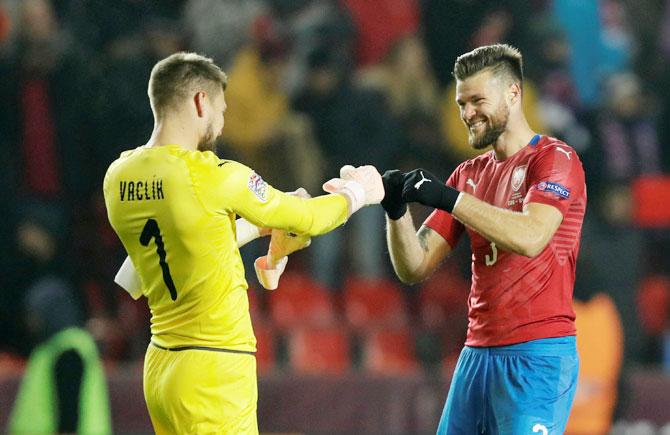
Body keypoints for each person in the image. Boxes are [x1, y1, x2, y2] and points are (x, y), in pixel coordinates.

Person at [102, 52, 383, 434]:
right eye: (221, 110)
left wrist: (253, 227)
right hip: (213, 366)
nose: (220, 124)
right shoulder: (215, 177)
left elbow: (181, 245)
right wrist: (358, 192)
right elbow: (309, 219)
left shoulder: (118, 176)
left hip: (161, 366)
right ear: (201, 102)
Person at [381, 44, 586, 434]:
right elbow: (414, 265)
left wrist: (449, 198)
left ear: (513, 93)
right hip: (477, 354)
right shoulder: (467, 173)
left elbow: (531, 236)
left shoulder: (556, 160)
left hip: (536, 355)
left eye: (477, 100)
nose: (467, 113)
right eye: (461, 103)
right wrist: (396, 212)